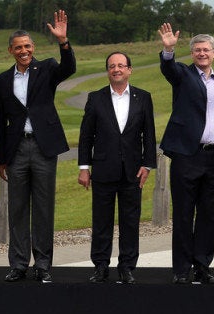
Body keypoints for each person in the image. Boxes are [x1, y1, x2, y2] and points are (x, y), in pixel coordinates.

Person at [0, 10, 76, 283]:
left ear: (34, 48)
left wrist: (64, 41)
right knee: (17, 208)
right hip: (16, 149)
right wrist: (0, 158)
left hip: (44, 148)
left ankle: (42, 264)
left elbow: (70, 68)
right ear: (10, 51)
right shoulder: (2, 81)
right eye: (18, 47)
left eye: (27, 46)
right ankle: (18, 264)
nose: (24, 51)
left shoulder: (49, 68)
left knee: (43, 207)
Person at [157, 23, 214, 284]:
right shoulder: (182, 75)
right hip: (187, 156)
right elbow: (168, 68)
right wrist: (168, 50)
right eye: (197, 50)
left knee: (209, 214)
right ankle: (181, 269)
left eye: (206, 49)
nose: (202, 53)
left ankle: (202, 266)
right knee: (183, 213)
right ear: (191, 54)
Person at [77, 52, 156, 284]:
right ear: (108, 71)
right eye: (112, 66)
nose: (117, 69)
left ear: (129, 70)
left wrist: (148, 164)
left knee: (130, 221)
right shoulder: (96, 98)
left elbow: (149, 135)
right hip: (103, 169)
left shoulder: (143, 97)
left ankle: (127, 267)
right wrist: (84, 167)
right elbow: (86, 136)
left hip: (133, 171)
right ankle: (101, 266)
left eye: (121, 65)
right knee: (101, 221)